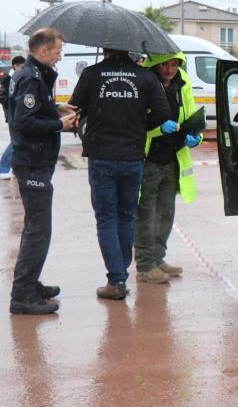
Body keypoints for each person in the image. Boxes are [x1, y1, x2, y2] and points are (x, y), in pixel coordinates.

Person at [69, 48, 171, 301]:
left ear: (105, 48)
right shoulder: (145, 77)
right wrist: (139, 126)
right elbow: (162, 113)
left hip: (101, 155)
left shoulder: (92, 74)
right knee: (126, 217)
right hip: (132, 156)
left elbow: (74, 108)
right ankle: (121, 273)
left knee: (106, 218)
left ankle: (116, 280)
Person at [8, 28, 79, 315]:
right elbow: (24, 122)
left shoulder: (34, 76)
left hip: (36, 161)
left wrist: (54, 108)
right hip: (32, 162)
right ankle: (22, 296)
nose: (60, 55)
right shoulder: (30, 77)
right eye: (58, 50)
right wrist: (58, 125)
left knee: (35, 229)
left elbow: (34, 111)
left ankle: (29, 284)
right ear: (44, 51)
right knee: (39, 231)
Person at [134, 52, 201, 284]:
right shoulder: (145, 83)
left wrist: (196, 135)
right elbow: (136, 124)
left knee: (165, 213)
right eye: (165, 64)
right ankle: (145, 265)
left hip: (173, 157)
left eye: (174, 64)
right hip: (149, 158)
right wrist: (158, 129)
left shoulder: (181, 82)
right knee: (146, 213)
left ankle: (158, 258)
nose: (170, 69)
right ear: (155, 64)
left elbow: (190, 112)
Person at [0, 55, 27, 179]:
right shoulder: (7, 80)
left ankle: (16, 169)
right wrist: (13, 102)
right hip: (13, 115)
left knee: (19, 142)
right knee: (16, 141)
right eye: (21, 65)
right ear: (15, 65)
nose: (23, 67)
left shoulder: (20, 78)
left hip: (18, 115)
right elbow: (3, 97)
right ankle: (3, 168)